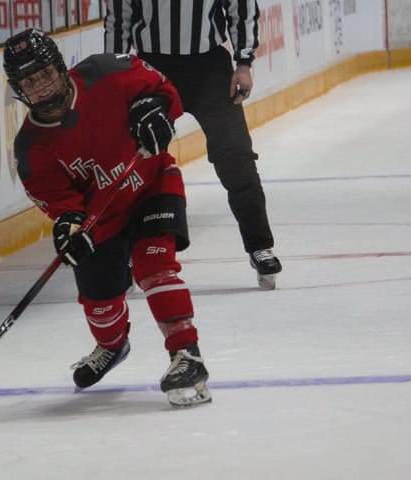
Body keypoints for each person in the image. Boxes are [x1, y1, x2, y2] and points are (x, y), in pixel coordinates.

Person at [3, 28, 211, 407]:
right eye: (29, 81)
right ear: (18, 90)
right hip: (102, 219)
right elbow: (61, 203)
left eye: (45, 73)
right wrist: (70, 227)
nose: (41, 86)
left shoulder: (105, 72)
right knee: (99, 300)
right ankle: (112, 346)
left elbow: (164, 90)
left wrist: (155, 111)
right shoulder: (31, 147)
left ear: (60, 68)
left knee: (154, 263)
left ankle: (187, 355)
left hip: (151, 183)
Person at [105, 0, 283, 290]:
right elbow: (119, 17)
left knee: (236, 156)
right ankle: (125, 253)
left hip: (209, 68)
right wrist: (116, 74)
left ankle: (260, 246)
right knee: (137, 161)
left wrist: (244, 62)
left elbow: (241, 7)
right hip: (151, 68)